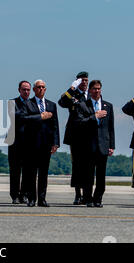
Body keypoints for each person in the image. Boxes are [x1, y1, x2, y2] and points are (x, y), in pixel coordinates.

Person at [73, 80, 115, 207]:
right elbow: (79, 123)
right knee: (88, 175)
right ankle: (88, 199)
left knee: (101, 176)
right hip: (88, 146)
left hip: (103, 145)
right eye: (94, 89)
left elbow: (111, 128)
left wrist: (112, 145)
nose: (97, 91)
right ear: (90, 90)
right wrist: (95, 116)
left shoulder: (108, 106)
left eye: (99, 89)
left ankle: (98, 199)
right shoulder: (82, 105)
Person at [23, 80, 60, 207]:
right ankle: (31, 198)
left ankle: (42, 199)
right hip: (32, 143)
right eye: (38, 87)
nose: (41, 89)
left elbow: (55, 125)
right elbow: (24, 119)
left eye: (43, 87)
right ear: (34, 89)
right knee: (32, 173)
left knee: (44, 173)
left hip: (46, 144)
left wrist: (56, 143)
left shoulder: (51, 105)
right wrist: (41, 116)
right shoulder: (28, 104)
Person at [58, 71, 89, 205]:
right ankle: (78, 194)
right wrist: (72, 88)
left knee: (88, 165)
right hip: (76, 135)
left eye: (86, 80)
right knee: (77, 165)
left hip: (89, 134)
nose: (84, 83)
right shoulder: (72, 95)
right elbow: (62, 102)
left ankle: (87, 194)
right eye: (81, 81)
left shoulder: (91, 95)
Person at [6, 80, 32, 205]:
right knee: (15, 170)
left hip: (29, 142)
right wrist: (31, 115)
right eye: (24, 89)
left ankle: (24, 195)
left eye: (28, 90)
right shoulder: (12, 102)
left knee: (27, 170)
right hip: (14, 141)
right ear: (19, 90)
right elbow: (14, 115)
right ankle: (14, 195)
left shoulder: (33, 103)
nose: (26, 92)